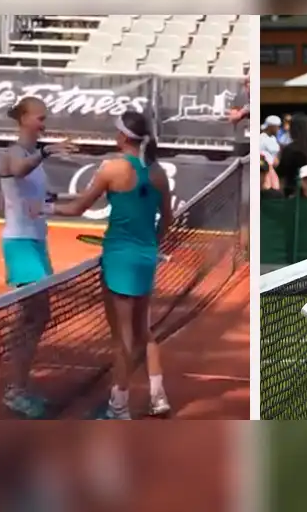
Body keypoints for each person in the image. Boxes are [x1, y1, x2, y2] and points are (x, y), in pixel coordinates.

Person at [51, 111, 173, 420]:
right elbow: (167, 221)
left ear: (122, 137)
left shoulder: (111, 169)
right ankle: (158, 396)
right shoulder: (158, 174)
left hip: (118, 258)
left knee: (122, 339)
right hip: (146, 258)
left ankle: (119, 407)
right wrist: (151, 242)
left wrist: (44, 207)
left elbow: (79, 206)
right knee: (143, 330)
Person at [0, 96, 78, 419]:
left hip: (37, 242)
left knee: (37, 316)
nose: (43, 123)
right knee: (34, 312)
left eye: (45, 118)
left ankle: (18, 384)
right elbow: (18, 171)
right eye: (39, 118)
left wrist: (94, 192)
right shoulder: (11, 154)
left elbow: (43, 197)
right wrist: (47, 150)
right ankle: (15, 389)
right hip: (19, 243)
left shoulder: (34, 156)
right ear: (24, 119)